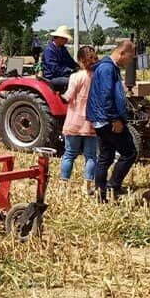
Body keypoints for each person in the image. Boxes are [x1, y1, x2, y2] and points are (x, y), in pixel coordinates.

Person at [86, 40, 137, 203]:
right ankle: (112, 186)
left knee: (106, 157)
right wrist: (115, 118)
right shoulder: (107, 68)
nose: (130, 61)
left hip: (100, 120)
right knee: (130, 153)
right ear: (122, 53)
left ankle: (101, 194)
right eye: (130, 57)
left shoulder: (107, 66)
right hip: (108, 119)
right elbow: (105, 96)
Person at [60, 45, 99, 195]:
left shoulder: (75, 77)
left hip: (74, 121)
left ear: (79, 60)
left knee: (69, 154)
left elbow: (68, 97)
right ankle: (87, 187)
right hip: (91, 122)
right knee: (91, 156)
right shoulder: (97, 76)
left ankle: (64, 187)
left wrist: (58, 95)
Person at [42, 25, 79, 91]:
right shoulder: (49, 50)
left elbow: (70, 61)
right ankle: (68, 98)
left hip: (61, 74)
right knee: (73, 81)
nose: (66, 40)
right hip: (51, 77)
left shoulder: (62, 49)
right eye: (65, 38)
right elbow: (54, 68)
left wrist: (78, 67)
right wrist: (70, 71)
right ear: (58, 38)